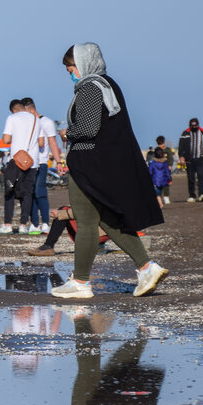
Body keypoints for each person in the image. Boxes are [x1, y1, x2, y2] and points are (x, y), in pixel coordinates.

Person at [51, 43, 168, 300]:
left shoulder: (90, 88)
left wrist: (67, 132)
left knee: (86, 223)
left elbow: (89, 128)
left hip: (88, 163)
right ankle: (147, 267)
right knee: (107, 220)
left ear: (82, 64)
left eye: (71, 68)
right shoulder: (108, 85)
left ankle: (81, 282)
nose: (70, 73)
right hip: (106, 163)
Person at [0, 99, 44, 234]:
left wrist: (15, 138)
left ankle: (8, 224)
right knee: (27, 194)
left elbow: (5, 139)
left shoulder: (12, 118)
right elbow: (41, 143)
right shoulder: (36, 120)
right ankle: (23, 225)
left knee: (9, 192)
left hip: (16, 160)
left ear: (14, 109)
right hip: (32, 161)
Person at [22, 97, 61, 234]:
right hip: (28, 164)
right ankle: (34, 224)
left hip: (42, 162)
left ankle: (45, 223)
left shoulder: (46, 122)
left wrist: (59, 162)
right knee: (30, 194)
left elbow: (52, 142)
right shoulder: (25, 123)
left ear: (31, 109)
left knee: (40, 193)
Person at [178, 118, 203, 202]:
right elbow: (181, 145)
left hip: (201, 158)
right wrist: (181, 156)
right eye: (193, 126)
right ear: (190, 126)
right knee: (191, 178)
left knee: (201, 176)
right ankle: (192, 195)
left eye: (196, 125)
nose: (194, 127)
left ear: (198, 125)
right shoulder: (185, 133)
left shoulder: (202, 132)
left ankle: (202, 194)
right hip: (189, 159)